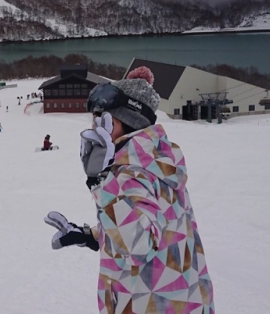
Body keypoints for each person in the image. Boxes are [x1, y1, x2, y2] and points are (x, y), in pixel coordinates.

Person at [45, 66, 214, 313]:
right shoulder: (156, 159)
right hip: (184, 301)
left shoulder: (130, 172)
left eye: (101, 120)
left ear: (123, 121)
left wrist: (100, 183)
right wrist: (92, 236)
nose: (93, 128)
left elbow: (138, 247)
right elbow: (157, 225)